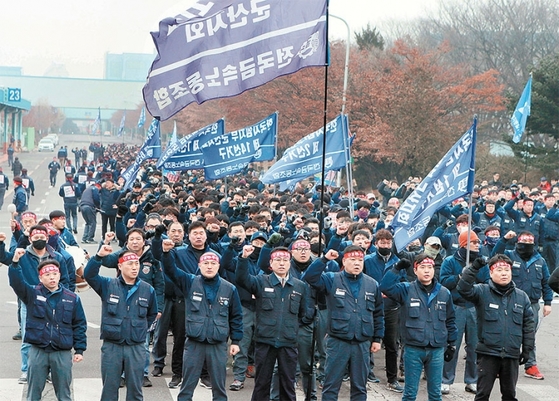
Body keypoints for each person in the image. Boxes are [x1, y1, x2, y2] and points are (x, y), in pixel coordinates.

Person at [161, 242, 243, 400]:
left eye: (213, 263)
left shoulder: (230, 288)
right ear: (200, 265)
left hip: (217, 343)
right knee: (187, 386)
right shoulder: (190, 281)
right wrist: (166, 253)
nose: (210, 267)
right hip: (194, 342)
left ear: (219, 266)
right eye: (206, 263)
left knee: (219, 387)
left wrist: (236, 341)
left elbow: (236, 316)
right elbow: (171, 271)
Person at [303, 245, 385, 401]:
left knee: (360, 387)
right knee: (331, 385)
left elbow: (378, 313)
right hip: (338, 341)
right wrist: (324, 259)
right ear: (344, 261)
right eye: (352, 260)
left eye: (360, 260)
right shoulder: (332, 278)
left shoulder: (372, 284)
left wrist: (377, 338)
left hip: (362, 342)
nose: (357, 263)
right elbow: (310, 278)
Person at [84, 245, 158, 401]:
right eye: (130, 264)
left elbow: (152, 314)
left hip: (136, 346)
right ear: (120, 266)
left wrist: (141, 329)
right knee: (110, 389)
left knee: (135, 391)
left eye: (136, 264)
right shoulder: (108, 285)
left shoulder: (148, 289)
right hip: (112, 346)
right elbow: (89, 275)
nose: (134, 267)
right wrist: (98, 257)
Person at [457, 254, 535, 401]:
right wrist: (474, 268)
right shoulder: (482, 291)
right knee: (482, 395)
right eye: (498, 270)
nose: (504, 273)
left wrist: (527, 349)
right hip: (488, 353)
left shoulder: (521, 297)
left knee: (510, 395)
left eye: (507, 270)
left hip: (511, 354)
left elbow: (528, 325)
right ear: (491, 273)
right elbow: (463, 289)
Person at [236, 245, 309, 401]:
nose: (282, 263)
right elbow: (242, 279)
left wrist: (292, 328)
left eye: (285, 260)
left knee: (287, 384)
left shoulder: (299, 286)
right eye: (278, 260)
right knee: (262, 383)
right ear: (271, 263)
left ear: (290, 263)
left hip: (288, 342)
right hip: (265, 340)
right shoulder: (261, 281)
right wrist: (243, 258)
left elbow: (304, 313)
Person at [380, 254, 457, 401]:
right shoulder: (406, 289)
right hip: (413, 348)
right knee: (410, 394)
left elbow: (450, 319)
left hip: (436, 349)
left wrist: (452, 343)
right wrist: (396, 269)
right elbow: (385, 287)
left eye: (430, 267)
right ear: (415, 271)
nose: (427, 271)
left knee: (435, 394)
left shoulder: (443, 293)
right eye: (422, 267)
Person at [8, 258, 87, 401]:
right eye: (47, 274)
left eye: (54, 273)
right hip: (38, 351)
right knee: (33, 394)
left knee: (64, 394)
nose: (52, 277)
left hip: (61, 352)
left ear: (59, 275)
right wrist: (14, 264)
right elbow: (16, 283)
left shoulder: (72, 298)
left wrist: (79, 349)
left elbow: (79, 324)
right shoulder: (32, 294)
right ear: (40, 277)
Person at [492, 230, 552, 379]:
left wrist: (548, 303)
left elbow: (546, 282)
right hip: (510, 301)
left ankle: (530, 365)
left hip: (532, 304)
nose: (527, 245)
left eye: (530, 242)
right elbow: (495, 255)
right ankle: (501, 365)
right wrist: (504, 239)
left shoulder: (540, 260)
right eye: (524, 241)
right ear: (518, 242)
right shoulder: (510, 256)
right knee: (507, 333)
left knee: (529, 335)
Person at [439, 230, 489, 395]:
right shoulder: (450, 261)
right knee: (452, 345)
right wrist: (460, 276)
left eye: (477, 242)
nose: (477, 245)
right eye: (473, 242)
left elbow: (486, 282)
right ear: (463, 244)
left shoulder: (481, 263)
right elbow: (444, 282)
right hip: (456, 307)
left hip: (474, 308)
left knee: (475, 347)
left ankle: (472, 380)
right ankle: (445, 380)